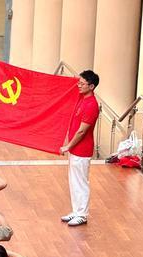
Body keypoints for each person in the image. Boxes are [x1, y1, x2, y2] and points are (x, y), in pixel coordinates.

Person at [60, 70, 100, 227]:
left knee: (81, 182)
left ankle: (82, 214)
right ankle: (76, 211)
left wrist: (68, 146)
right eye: (79, 82)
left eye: (82, 84)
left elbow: (82, 131)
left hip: (82, 150)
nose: (79, 85)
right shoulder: (82, 98)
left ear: (91, 86)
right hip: (75, 150)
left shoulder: (91, 105)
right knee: (73, 181)